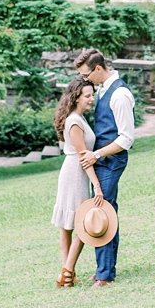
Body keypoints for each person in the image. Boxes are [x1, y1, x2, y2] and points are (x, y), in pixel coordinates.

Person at [75, 49, 135, 287]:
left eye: (87, 74)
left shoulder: (119, 95)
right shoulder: (102, 90)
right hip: (100, 161)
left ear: (98, 69)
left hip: (110, 162)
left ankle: (104, 275)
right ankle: (105, 268)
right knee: (107, 211)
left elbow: (126, 139)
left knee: (101, 213)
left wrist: (96, 154)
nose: (85, 80)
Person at [51, 76, 104, 288]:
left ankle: (67, 275)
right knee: (80, 224)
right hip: (75, 173)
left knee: (72, 225)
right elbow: (83, 156)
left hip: (75, 170)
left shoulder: (78, 118)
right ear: (76, 97)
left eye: (92, 95)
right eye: (87, 96)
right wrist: (97, 186)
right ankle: (67, 270)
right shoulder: (74, 121)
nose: (91, 99)